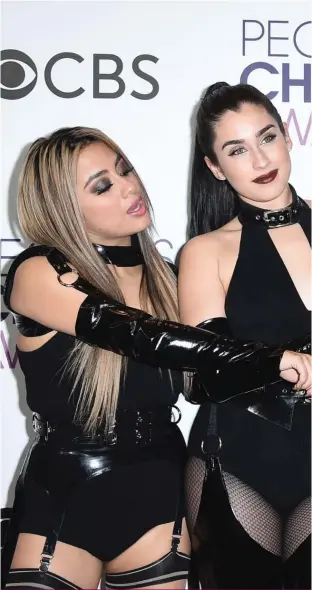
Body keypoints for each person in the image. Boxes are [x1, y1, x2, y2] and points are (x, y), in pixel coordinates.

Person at [2, 126, 310, 590]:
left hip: (159, 494)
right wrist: (270, 359)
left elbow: (203, 380)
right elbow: (137, 335)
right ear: (64, 207)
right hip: (63, 491)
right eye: (103, 185)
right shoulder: (39, 271)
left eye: (126, 169)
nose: (130, 187)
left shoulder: (168, 277)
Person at [179, 82, 311, 589]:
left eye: (267, 137)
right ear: (215, 167)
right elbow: (205, 374)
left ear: (287, 137)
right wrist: (284, 360)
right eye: (237, 149)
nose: (260, 158)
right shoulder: (205, 251)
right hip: (237, 458)